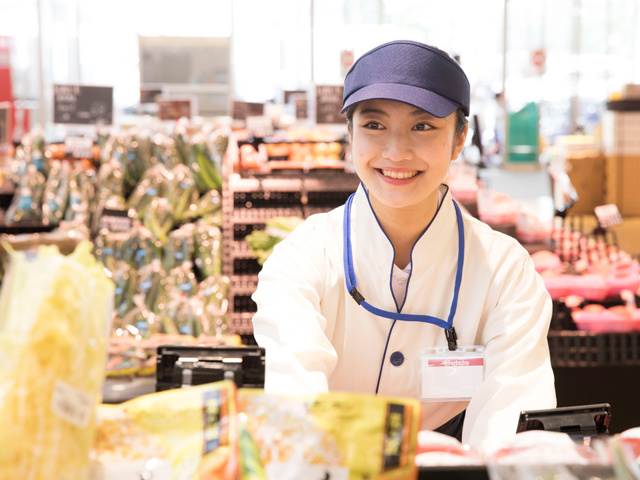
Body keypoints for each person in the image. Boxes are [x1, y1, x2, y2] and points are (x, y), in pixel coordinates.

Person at [251, 40, 556, 447]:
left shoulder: (506, 274)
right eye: (374, 125)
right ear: (350, 134)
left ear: (460, 137)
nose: (396, 152)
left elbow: (511, 434)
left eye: (423, 126)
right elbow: (293, 412)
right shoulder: (301, 260)